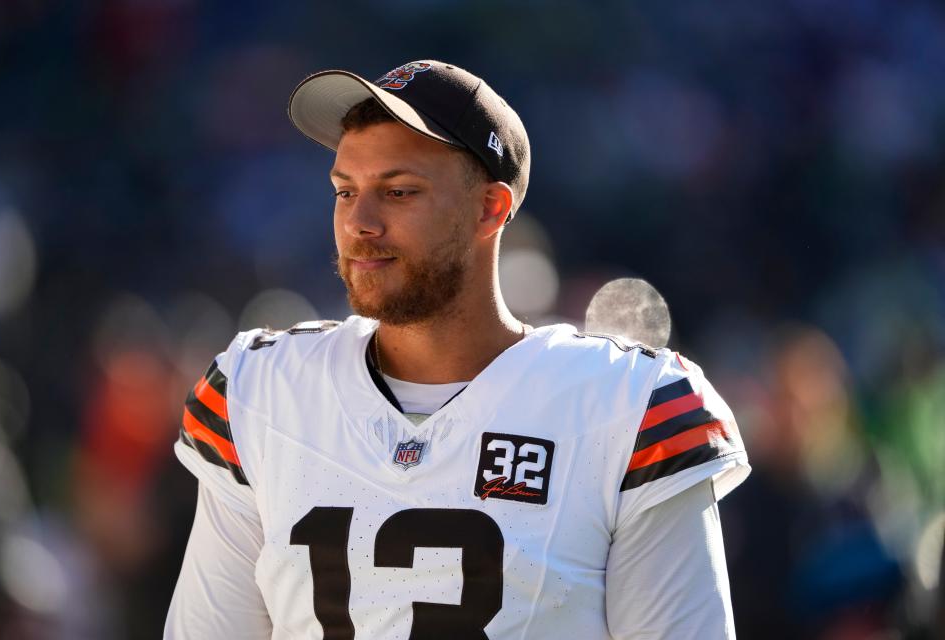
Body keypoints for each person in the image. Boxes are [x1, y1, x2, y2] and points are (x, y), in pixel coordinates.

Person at [164, 59, 751, 640]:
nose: (360, 222)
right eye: (345, 191)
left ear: (490, 208)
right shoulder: (260, 390)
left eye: (398, 191)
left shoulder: (628, 406)